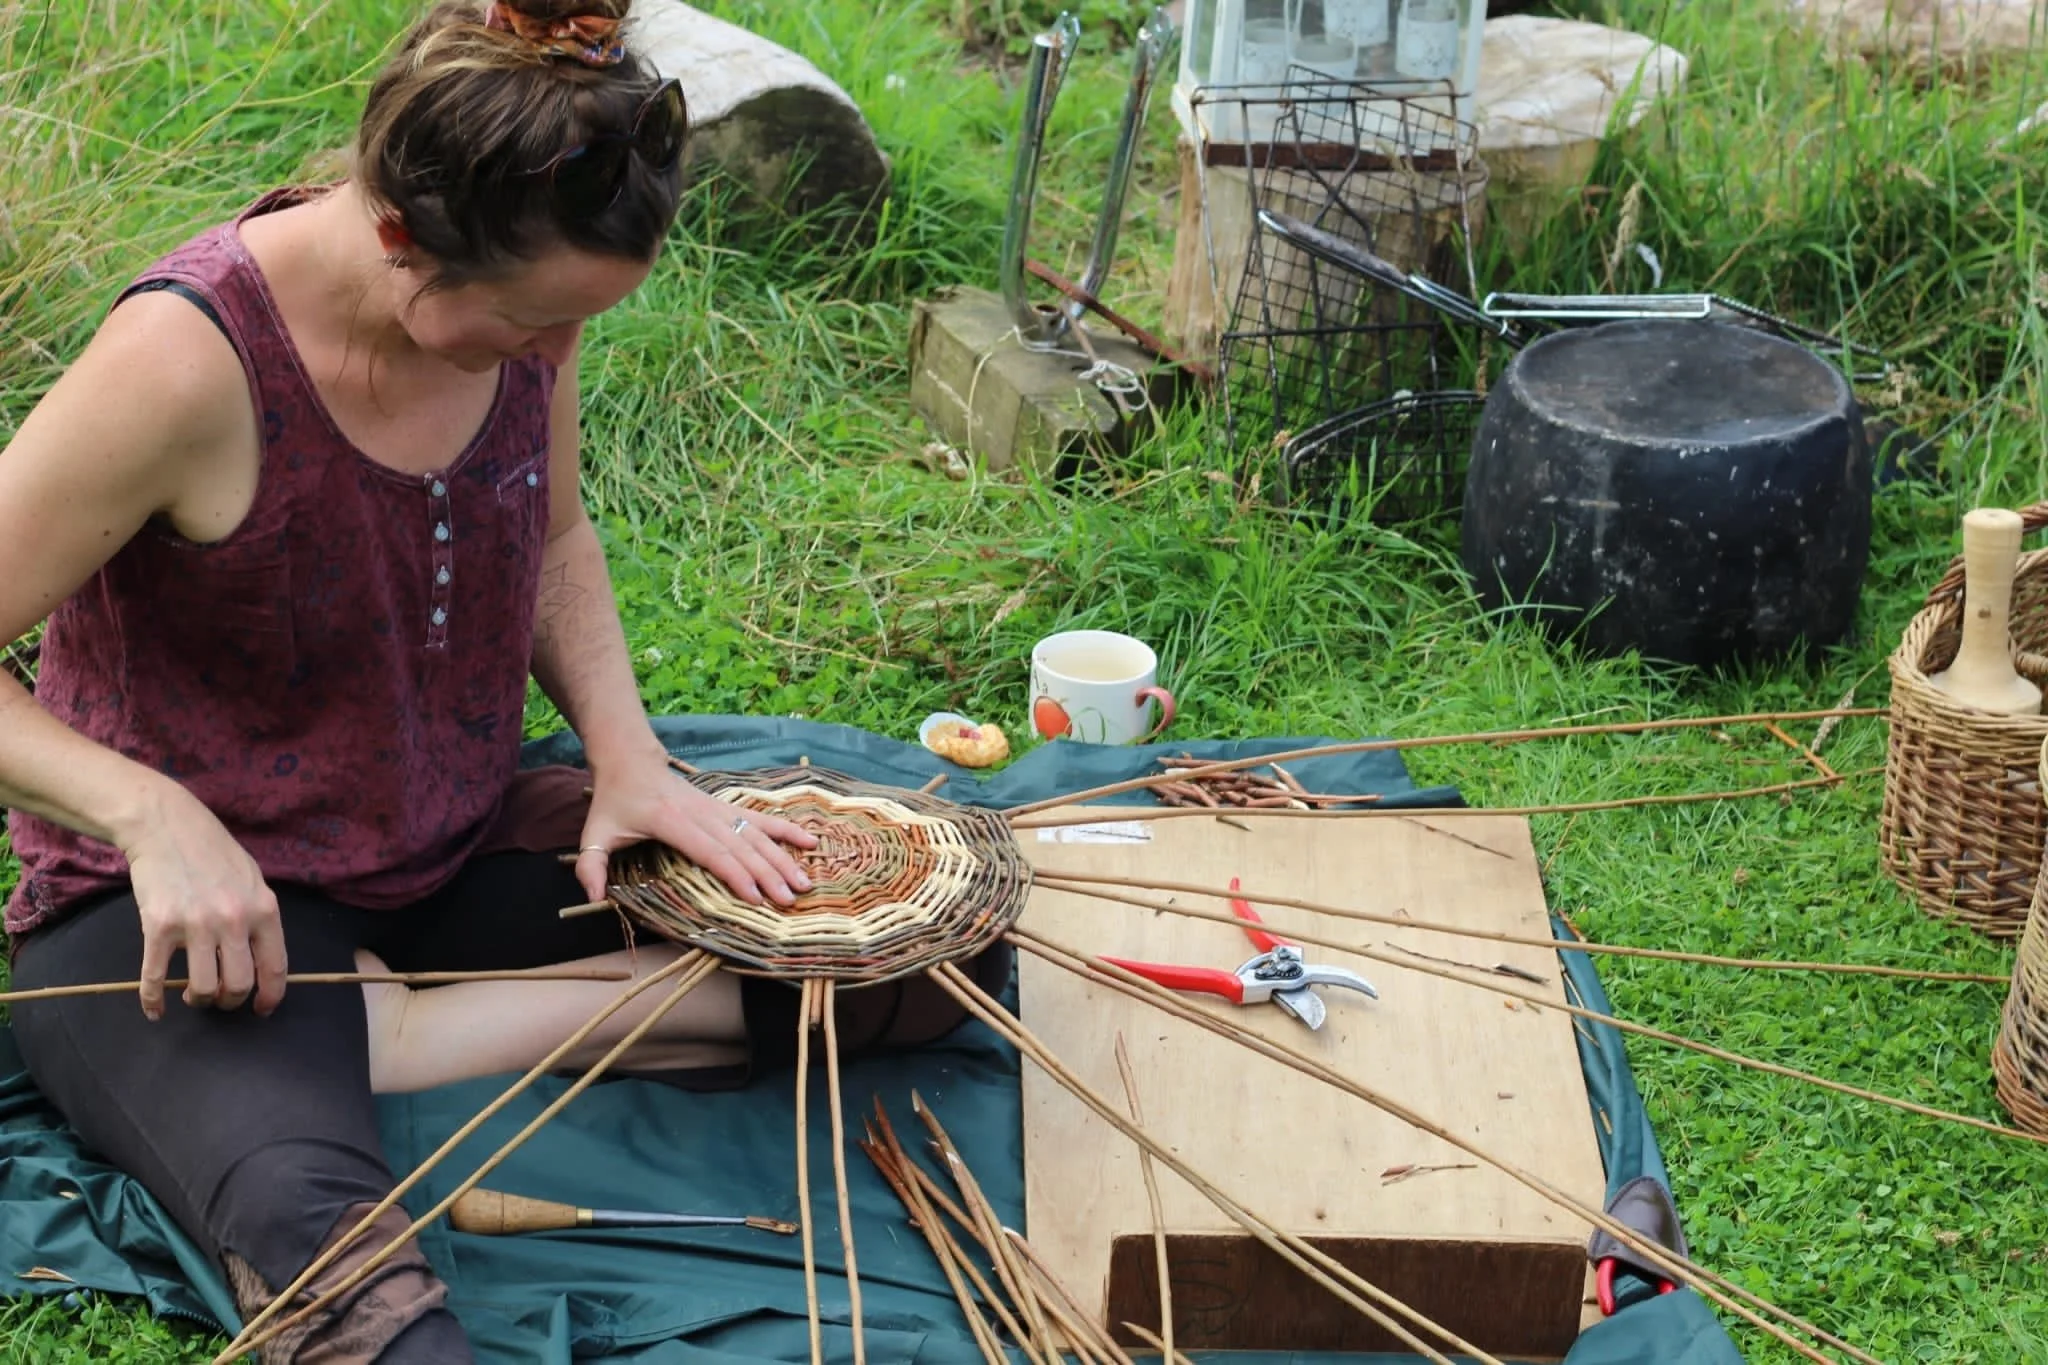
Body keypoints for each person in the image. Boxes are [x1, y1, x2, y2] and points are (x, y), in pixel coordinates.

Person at [0, 2, 1009, 1359]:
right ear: (401, 243)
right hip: (202, 905)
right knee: (365, 1312)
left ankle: (403, 1031)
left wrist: (630, 758)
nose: (549, 359)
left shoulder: (535, 291)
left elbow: (555, 534)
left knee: (920, 965)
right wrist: (145, 814)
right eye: (525, 330)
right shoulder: (188, 364)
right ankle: (364, 1034)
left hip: (445, 839)